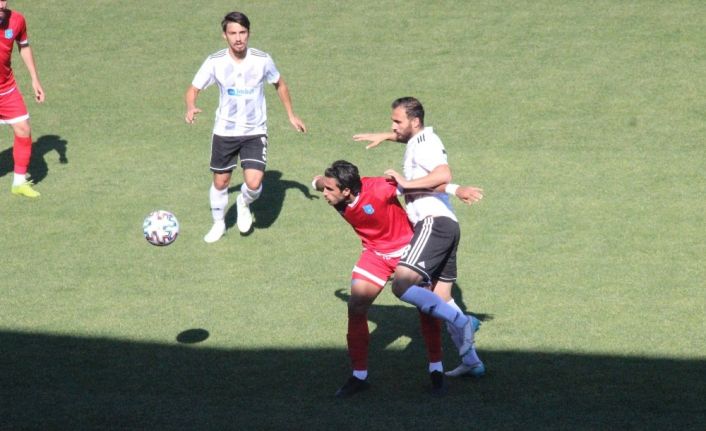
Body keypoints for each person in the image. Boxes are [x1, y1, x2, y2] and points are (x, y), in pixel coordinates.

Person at [313, 160, 482, 398]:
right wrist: (317, 182)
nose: (325, 193)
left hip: (407, 251)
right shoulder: (331, 188)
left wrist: (457, 190)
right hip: (375, 254)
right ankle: (359, 376)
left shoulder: (380, 188)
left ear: (347, 190)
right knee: (356, 306)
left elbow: (423, 186)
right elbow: (318, 182)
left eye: (330, 189)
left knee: (425, 307)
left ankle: (436, 369)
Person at [354, 96, 485, 378]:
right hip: (447, 226)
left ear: (414, 121)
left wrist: (405, 182)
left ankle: (463, 321)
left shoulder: (426, 143)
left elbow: (443, 174)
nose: (393, 126)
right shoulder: (418, 140)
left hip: (432, 224)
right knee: (442, 297)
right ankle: (472, 361)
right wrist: (386, 136)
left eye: (397, 122)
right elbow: (433, 180)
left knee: (401, 284)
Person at [185, 11, 306, 243]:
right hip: (225, 132)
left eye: (242, 32)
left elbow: (280, 84)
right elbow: (193, 89)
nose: (238, 38)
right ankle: (218, 224)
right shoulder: (215, 62)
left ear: (248, 33)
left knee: (253, 183)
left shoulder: (262, 59)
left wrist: (291, 115)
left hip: (254, 131)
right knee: (221, 182)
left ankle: (243, 202)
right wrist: (191, 106)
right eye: (233, 33)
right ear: (225, 35)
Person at [0, 1, 45, 198]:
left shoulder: (17, 20)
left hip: (6, 89)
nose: (1, 4)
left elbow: (24, 47)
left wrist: (35, 79)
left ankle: (19, 183)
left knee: (23, 129)